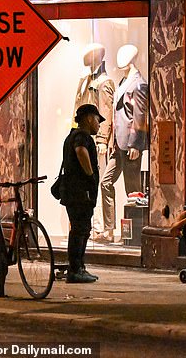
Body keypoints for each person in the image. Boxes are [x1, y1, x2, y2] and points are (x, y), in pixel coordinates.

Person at [100, 44, 149, 241]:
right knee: (105, 182)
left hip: (129, 144)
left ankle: (135, 236)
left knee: (133, 192)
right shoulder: (122, 81)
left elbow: (140, 115)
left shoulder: (139, 84)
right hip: (117, 143)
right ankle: (109, 229)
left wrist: (136, 144)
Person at [59, 104, 106, 283]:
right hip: (80, 193)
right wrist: (90, 174)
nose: (98, 124)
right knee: (80, 230)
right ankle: (76, 269)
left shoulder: (72, 136)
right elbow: (80, 152)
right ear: (88, 118)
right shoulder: (81, 136)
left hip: (75, 192)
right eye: (96, 120)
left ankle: (78, 267)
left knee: (80, 229)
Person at [73, 43, 115, 242]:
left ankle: (99, 227)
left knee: (95, 180)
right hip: (81, 135)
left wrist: (102, 139)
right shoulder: (85, 79)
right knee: (83, 180)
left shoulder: (105, 82)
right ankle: (91, 225)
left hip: (95, 138)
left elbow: (106, 111)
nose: (85, 57)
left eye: (90, 54)